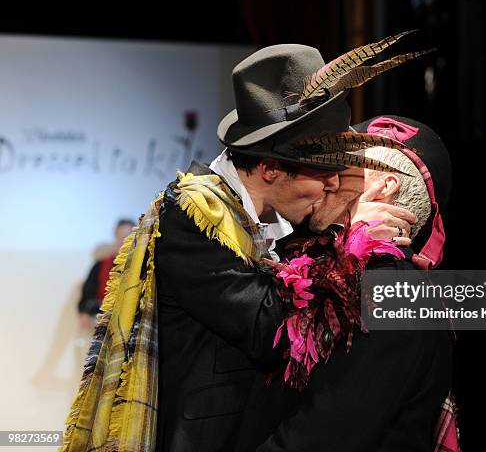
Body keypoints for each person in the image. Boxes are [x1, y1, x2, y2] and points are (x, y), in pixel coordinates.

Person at [61, 33, 426, 452]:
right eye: (320, 172)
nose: (331, 185)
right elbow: (270, 328)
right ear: (271, 169)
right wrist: (352, 241)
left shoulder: (285, 221)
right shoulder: (194, 214)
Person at [236, 116, 458, 451]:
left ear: (383, 185)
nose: (325, 177)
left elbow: (319, 438)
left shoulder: (398, 295)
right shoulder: (339, 270)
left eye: (342, 165)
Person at [77, 219, 136, 329]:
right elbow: (87, 295)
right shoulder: (100, 265)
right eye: (120, 237)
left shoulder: (143, 267)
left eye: (127, 237)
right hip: (102, 325)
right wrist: (84, 313)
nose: (123, 241)